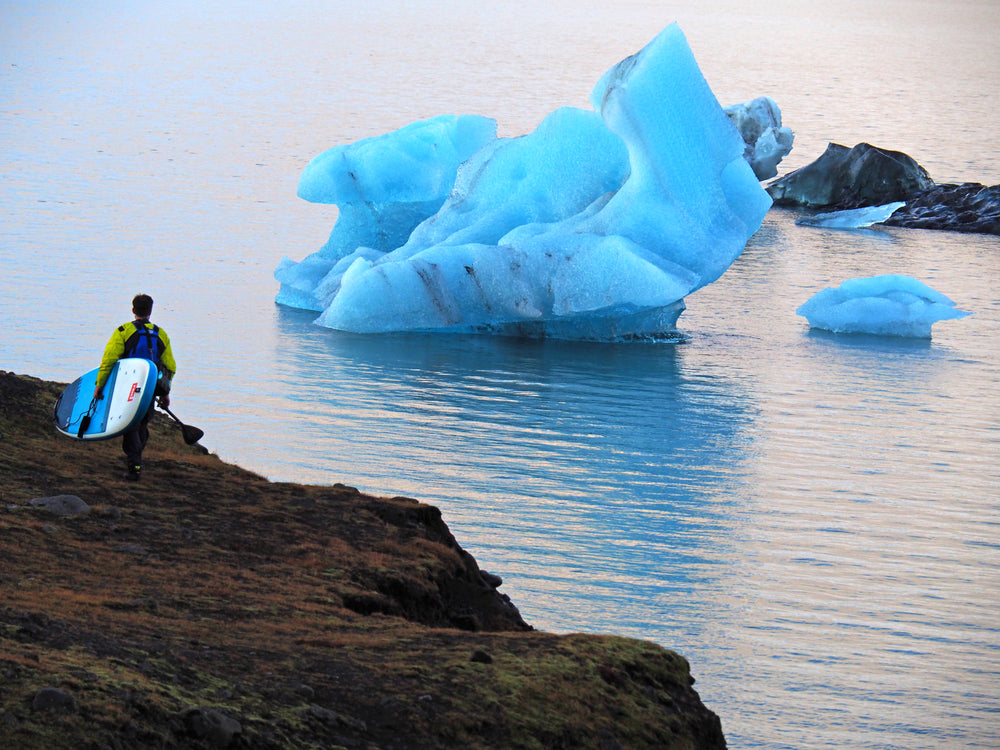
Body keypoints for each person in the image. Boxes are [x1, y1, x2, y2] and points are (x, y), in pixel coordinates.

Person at [93, 294, 176, 480]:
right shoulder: (161, 334)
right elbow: (170, 366)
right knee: (142, 423)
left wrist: (100, 384)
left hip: (129, 386)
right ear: (150, 310)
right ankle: (136, 460)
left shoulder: (123, 331)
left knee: (131, 424)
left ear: (133, 310)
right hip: (150, 387)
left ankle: (135, 465)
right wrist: (165, 392)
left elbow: (109, 361)